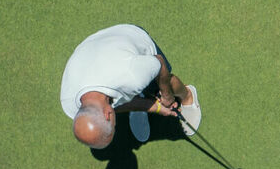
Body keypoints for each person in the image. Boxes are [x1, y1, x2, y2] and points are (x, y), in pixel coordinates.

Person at [60, 24, 192, 149]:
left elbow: (159, 63)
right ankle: (140, 101)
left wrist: (167, 96)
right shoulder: (69, 104)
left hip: (131, 36)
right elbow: (113, 107)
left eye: (113, 127)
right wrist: (155, 107)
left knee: (161, 84)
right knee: (130, 89)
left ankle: (188, 96)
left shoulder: (132, 75)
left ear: (108, 115)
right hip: (92, 50)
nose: (115, 126)